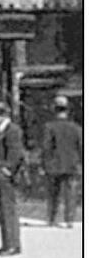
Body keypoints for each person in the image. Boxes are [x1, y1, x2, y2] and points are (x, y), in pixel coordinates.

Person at [0, 101, 25, 256]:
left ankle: (13, 245)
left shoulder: (12, 130)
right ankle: (6, 243)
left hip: (6, 177)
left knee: (8, 210)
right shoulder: (0, 131)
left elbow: (15, 153)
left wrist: (7, 169)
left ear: (1, 116)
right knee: (1, 210)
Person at [40, 96, 82, 228]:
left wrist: (43, 164)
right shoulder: (76, 128)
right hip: (72, 164)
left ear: (54, 110)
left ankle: (52, 219)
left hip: (54, 165)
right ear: (67, 110)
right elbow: (81, 147)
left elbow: (46, 147)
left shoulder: (49, 127)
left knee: (53, 194)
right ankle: (69, 220)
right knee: (71, 194)